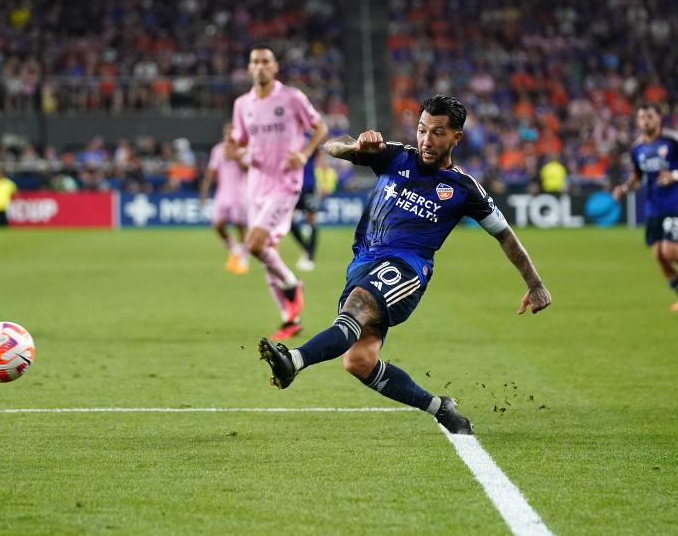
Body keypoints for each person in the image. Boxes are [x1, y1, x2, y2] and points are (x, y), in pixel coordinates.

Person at [257, 95, 552, 434]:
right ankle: (441, 408)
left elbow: (505, 236)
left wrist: (535, 284)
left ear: (456, 137)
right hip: (363, 263)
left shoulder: (464, 188)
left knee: (356, 308)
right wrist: (357, 145)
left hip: (407, 270)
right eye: (422, 130)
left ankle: (293, 361)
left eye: (438, 132)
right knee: (358, 361)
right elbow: (331, 149)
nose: (427, 140)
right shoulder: (396, 155)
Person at [230, 45, 329, 341]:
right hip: (256, 186)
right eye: (255, 61)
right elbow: (239, 143)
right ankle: (291, 318)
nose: (260, 66)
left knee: (255, 243)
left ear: (274, 68)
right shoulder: (241, 105)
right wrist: (234, 151)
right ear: (249, 68)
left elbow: (321, 126)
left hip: (285, 184)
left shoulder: (292, 98)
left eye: (265, 61)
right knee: (265, 252)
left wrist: (305, 153)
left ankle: (292, 285)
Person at [613, 104, 678, 311]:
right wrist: (624, 188)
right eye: (642, 117)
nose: (646, 121)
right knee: (659, 255)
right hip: (653, 205)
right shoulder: (637, 148)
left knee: (670, 251)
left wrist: (675, 175)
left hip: (675, 201)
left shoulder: (672, 139)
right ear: (638, 122)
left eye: (650, 116)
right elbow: (637, 175)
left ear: (658, 119)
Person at [200, 123, 249, 274]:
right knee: (217, 225)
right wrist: (204, 193)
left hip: (240, 194)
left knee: (240, 225)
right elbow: (211, 172)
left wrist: (236, 157)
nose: (228, 136)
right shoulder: (217, 150)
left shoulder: (243, 149)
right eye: (226, 133)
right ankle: (234, 249)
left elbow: (249, 169)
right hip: (222, 194)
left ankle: (243, 257)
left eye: (232, 133)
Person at [289, 145, 322, 272]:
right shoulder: (292, 137)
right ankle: (306, 249)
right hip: (294, 186)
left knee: (311, 219)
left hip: (309, 186)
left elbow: (319, 154)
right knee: (289, 222)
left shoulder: (311, 139)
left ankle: (310, 257)